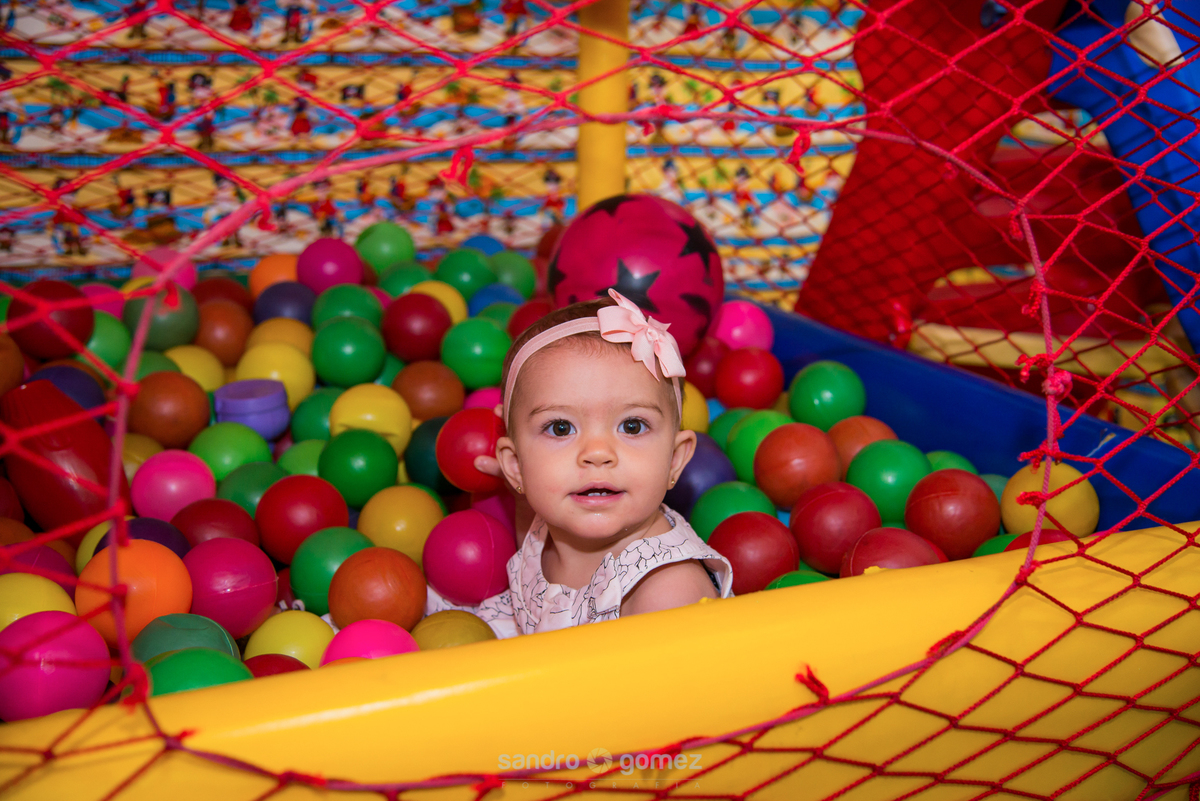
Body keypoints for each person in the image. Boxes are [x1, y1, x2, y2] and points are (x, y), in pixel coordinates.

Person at [425, 291, 734, 637]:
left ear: (675, 460)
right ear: (515, 466)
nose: (597, 452)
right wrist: (519, 484)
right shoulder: (548, 516)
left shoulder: (666, 592)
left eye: (632, 426)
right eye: (561, 428)